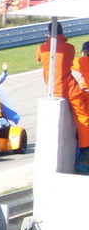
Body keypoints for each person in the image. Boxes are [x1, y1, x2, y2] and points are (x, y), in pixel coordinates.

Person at [37, 22, 89, 172]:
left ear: (48, 33)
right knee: (82, 117)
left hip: (54, 90)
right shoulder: (70, 48)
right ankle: (85, 149)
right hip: (71, 90)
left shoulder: (42, 49)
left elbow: (40, 58)